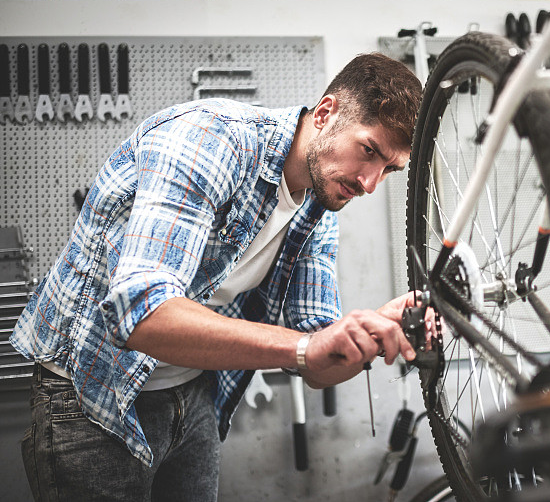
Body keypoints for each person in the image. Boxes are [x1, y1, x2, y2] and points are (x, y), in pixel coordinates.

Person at [11, 52, 424, 501]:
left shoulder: (320, 203)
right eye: (369, 151)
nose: (369, 183)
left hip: (191, 393)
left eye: (389, 169)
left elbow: (317, 362)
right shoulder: (210, 138)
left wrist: (376, 331)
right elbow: (141, 313)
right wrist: (306, 347)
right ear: (325, 113)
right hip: (93, 391)